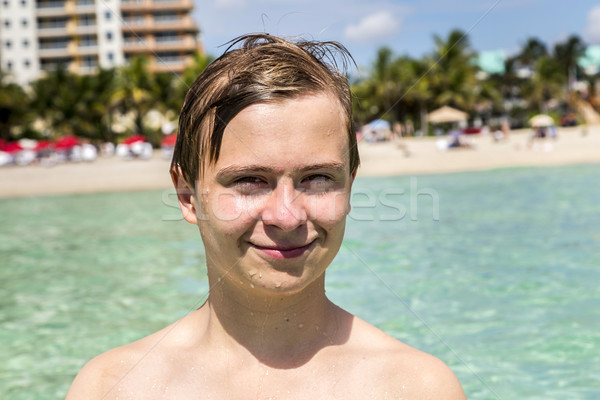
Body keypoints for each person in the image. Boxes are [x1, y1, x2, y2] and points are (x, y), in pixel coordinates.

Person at [66, 34, 466, 399]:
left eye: (317, 178)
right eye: (250, 181)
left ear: (349, 187)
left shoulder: (418, 387)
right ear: (188, 196)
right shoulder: (112, 386)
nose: (287, 216)